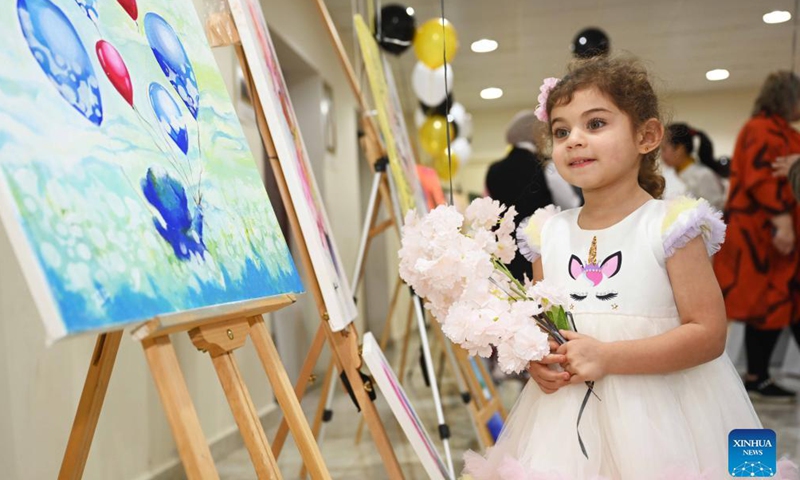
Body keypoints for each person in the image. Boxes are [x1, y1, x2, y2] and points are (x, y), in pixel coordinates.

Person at [464, 57, 793, 479]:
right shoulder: (546, 232)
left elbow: (709, 334)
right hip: (566, 424)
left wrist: (607, 356)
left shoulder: (672, 225)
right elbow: (546, 330)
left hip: (668, 418)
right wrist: (538, 360)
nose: (574, 140)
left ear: (647, 136)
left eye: (595, 124)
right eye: (562, 131)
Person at [714, 71, 800, 400]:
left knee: (780, 303)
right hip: (763, 235)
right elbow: (761, 179)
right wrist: (783, 222)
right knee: (766, 304)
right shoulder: (760, 130)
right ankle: (757, 375)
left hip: (776, 234)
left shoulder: (780, 131)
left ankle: (758, 375)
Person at [485, 110, 580, 282]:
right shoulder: (546, 166)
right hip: (542, 251)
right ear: (537, 137)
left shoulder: (494, 170)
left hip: (507, 254)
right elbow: (570, 205)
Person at [661, 123, 726, 209]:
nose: (661, 155)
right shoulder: (666, 175)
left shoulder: (703, 175)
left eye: (664, 149)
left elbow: (716, 212)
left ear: (679, 148)